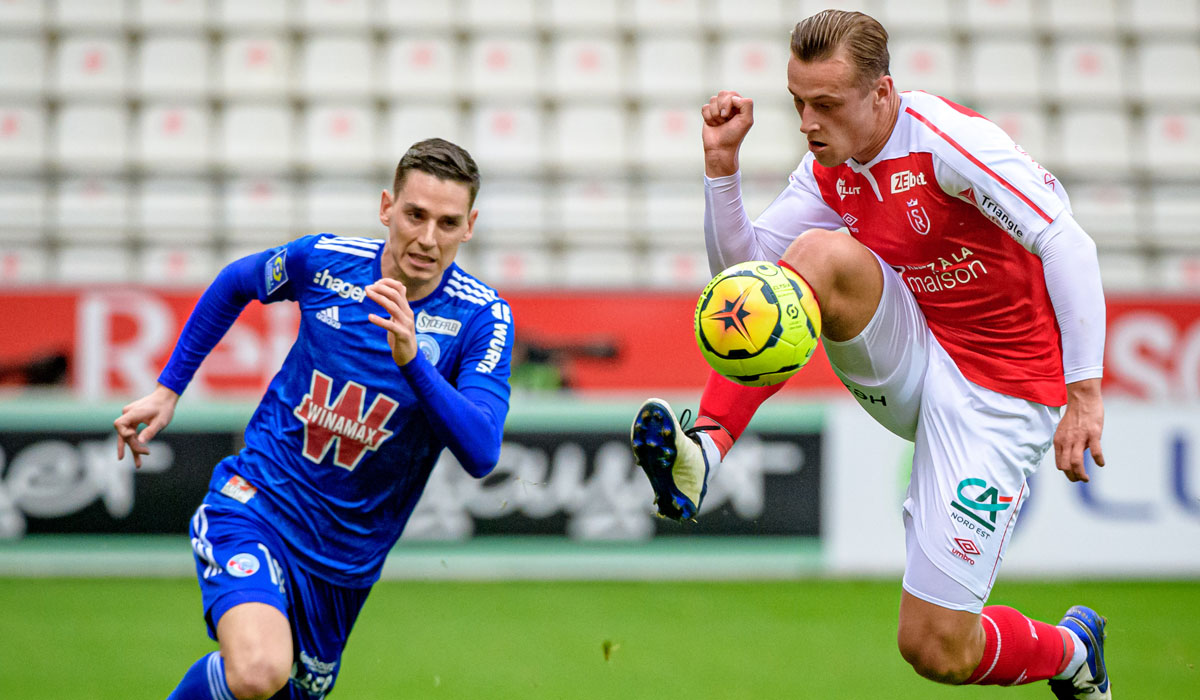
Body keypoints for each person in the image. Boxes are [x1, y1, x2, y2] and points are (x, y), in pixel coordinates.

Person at [630, 10, 1111, 698]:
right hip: (914, 350)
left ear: (883, 93)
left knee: (936, 648)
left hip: (1000, 395)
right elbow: (745, 287)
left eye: (825, 104)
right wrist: (721, 167)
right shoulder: (827, 168)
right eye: (798, 103)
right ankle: (703, 453)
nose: (808, 123)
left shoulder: (949, 142)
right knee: (816, 259)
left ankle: (1070, 654)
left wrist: (1084, 393)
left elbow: (1068, 245)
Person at [114, 138, 514, 699]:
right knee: (258, 671)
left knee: (274, 689)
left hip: (344, 566)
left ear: (469, 226)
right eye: (415, 215)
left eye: (447, 223)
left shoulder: (482, 317)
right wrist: (167, 388)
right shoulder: (322, 262)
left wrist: (414, 363)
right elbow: (236, 282)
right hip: (257, 507)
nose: (427, 238)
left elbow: (481, 451)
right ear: (386, 208)